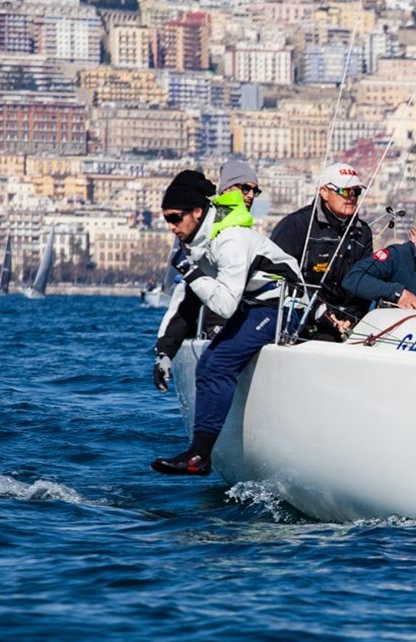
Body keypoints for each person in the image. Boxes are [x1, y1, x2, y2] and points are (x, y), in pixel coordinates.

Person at [150, 169, 302, 476]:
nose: (171, 227)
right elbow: (187, 301)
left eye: (175, 218)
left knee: (216, 363)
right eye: (166, 219)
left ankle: (199, 456)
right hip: (256, 306)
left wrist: (191, 273)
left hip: (285, 306)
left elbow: (224, 304)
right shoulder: (196, 242)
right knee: (208, 364)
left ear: (196, 212)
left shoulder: (230, 239)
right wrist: (164, 351)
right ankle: (200, 453)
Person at [153, 159, 262, 393]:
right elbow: (185, 298)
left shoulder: (243, 231)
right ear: (226, 191)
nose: (251, 195)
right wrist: (165, 350)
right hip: (215, 332)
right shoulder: (208, 234)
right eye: (245, 188)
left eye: (255, 190)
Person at [270, 162, 373, 341]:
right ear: (324, 192)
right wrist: (321, 312)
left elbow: (366, 279)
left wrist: (352, 315)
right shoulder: (297, 225)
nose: (351, 197)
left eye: (356, 192)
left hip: (348, 321)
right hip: (302, 319)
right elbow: (278, 276)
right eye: (344, 191)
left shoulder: (362, 232)